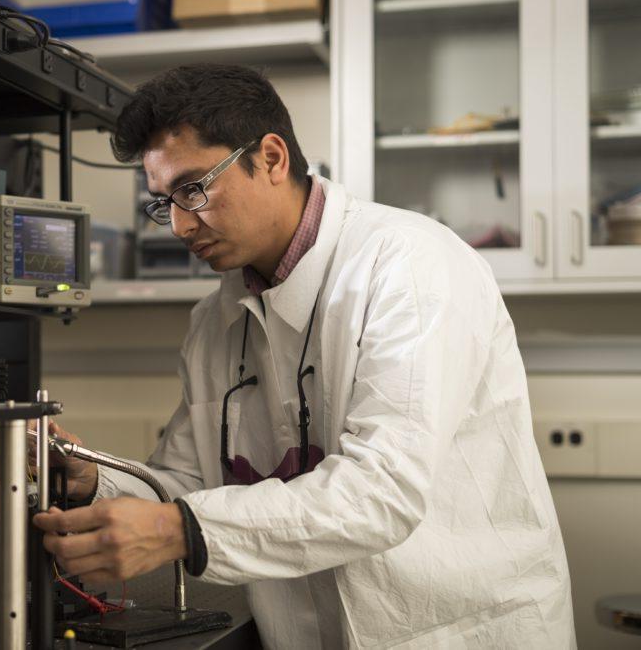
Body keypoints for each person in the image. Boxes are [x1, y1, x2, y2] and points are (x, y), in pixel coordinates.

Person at [32, 64, 575, 648]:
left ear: (271, 158)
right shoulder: (214, 321)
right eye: (165, 202)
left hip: (457, 633)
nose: (182, 226)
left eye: (193, 189)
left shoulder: (411, 268)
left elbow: (382, 492)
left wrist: (180, 529)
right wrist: (94, 480)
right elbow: (187, 483)